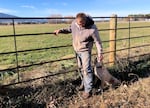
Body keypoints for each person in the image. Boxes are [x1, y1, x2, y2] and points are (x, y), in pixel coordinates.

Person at [54, 12, 103, 99]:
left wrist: (100, 53)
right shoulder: (74, 23)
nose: (81, 25)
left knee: (86, 69)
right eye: (79, 23)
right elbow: (70, 29)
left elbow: (98, 42)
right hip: (76, 50)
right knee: (80, 68)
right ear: (76, 20)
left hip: (85, 51)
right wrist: (60, 30)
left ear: (86, 20)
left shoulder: (92, 28)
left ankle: (88, 90)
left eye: (83, 23)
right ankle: (84, 83)